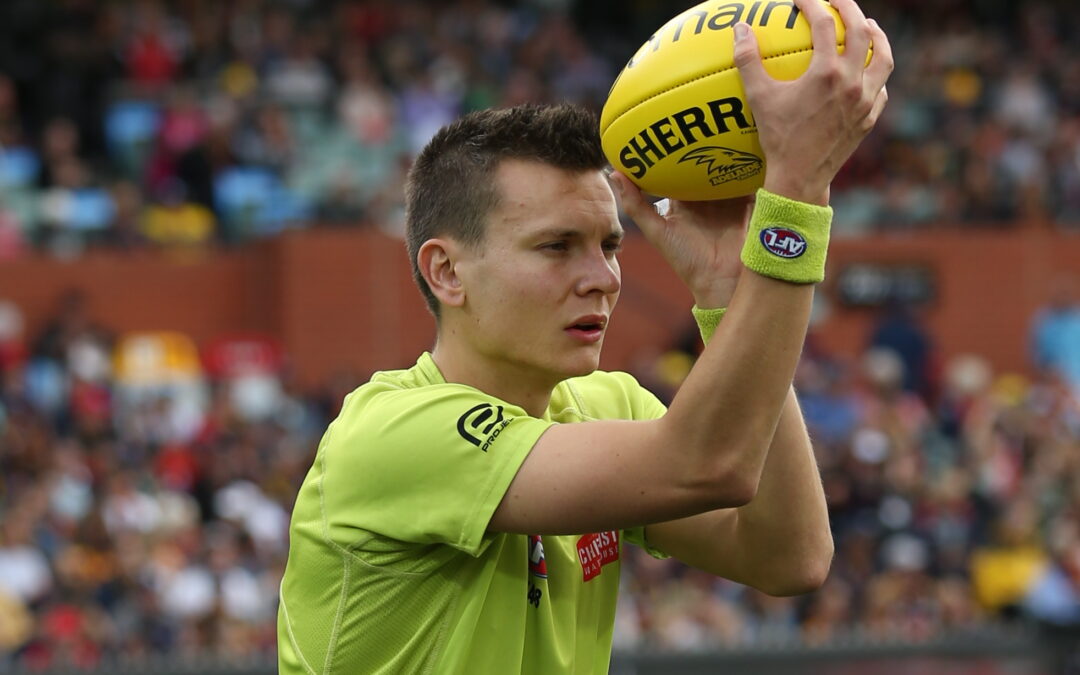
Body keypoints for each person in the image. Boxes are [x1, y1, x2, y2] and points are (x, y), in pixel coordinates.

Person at [277, 0, 893, 672]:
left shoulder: (607, 405)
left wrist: (726, 295)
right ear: (447, 271)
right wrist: (795, 196)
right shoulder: (392, 432)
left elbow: (790, 554)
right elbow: (711, 461)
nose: (602, 277)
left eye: (610, 244)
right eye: (557, 246)